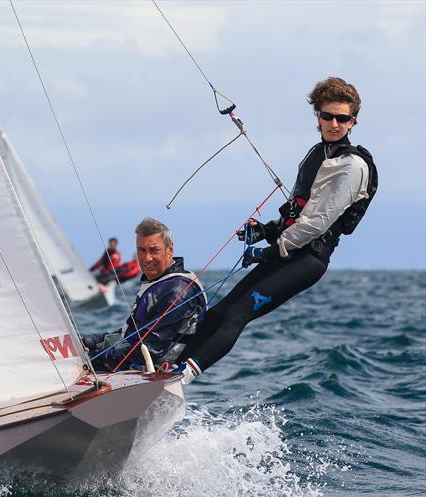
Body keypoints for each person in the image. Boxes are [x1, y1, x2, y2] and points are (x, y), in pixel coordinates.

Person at [174, 77, 377, 384]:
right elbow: (297, 214)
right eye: (327, 116)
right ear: (318, 116)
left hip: (308, 259)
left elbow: (317, 222)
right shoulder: (317, 154)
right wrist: (266, 231)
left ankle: (179, 379)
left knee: (236, 315)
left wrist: (273, 249)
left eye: (342, 118)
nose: (334, 123)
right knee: (217, 312)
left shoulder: (351, 166)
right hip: (289, 250)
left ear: (353, 121)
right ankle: (161, 368)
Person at [84, 218, 207, 371]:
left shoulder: (175, 291)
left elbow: (150, 349)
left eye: (154, 250)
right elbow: (132, 336)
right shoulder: (159, 283)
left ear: (170, 250)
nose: (147, 258)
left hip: (153, 370)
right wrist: (94, 342)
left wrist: (96, 357)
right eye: (141, 250)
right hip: (132, 360)